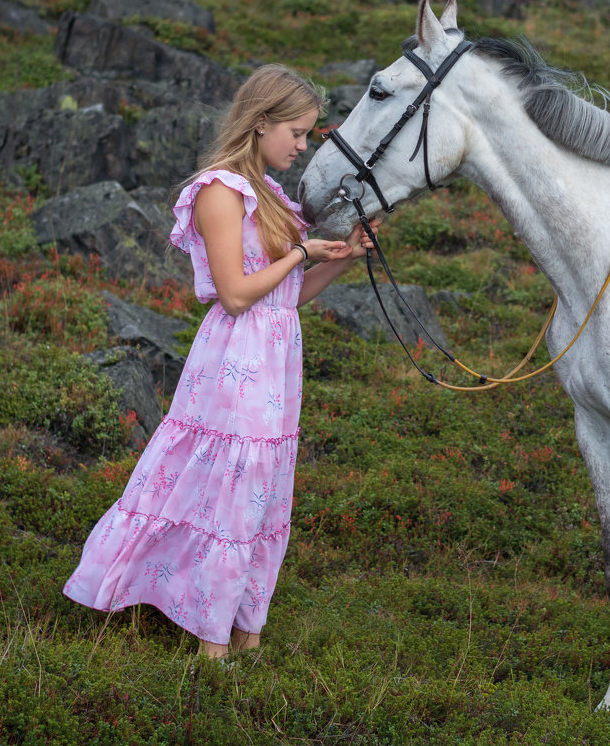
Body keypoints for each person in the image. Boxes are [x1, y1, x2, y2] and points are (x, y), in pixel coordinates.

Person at [64, 64, 377, 658]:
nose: (303, 146)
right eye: (297, 131)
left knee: (263, 488)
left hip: (276, 357)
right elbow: (235, 293)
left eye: (309, 134)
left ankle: (246, 629)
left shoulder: (269, 195)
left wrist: (342, 258)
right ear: (261, 123)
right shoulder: (217, 190)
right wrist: (302, 252)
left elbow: (288, 296)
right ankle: (211, 640)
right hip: (235, 358)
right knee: (234, 485)